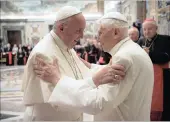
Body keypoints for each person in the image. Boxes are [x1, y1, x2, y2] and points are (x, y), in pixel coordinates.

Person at [33, 12, 154, 121]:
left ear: (116, 32)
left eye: (100, 32)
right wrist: (90, 66)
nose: (98, 38)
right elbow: (111, 72)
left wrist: (57, 80)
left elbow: (98, 103)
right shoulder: (132, 50)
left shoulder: (124, 57)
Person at [22, 6, 125, 121]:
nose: (82, 36)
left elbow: (84, 72)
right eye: (78, 30)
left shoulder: (68, 47)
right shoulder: (42, 54)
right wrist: (96, 80)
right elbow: (60, 100)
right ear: (61, 28)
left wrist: (109, 69)